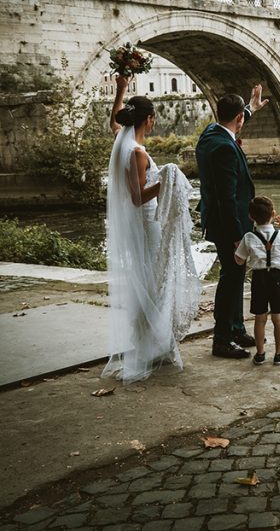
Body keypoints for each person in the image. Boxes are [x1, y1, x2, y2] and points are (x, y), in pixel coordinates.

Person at [104, 75, 199, 383]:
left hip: (145, 224)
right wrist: (166, 180)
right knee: (156, 282)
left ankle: (155, 341)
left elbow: (113, 124)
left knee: (149, 281)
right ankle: (157, 344)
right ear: (149, 119)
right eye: (153, 118)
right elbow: (136, 197)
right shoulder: (137, 153)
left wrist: (121, 88)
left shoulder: (125, 142)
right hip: (148, 223)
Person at [195, 86, 269, 359]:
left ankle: (236, 328)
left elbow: (232, 122)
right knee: (230, 279)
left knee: (235, 277)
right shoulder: (225, 148)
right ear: (237, 119)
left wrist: (251, 108)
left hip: (218, 220)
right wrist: (239, 235)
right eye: (243, 118)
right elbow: (226, 197)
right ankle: (223, 339)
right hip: (230, 224)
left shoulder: (210, 135)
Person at [234, 196, 280, 366]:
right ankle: (279, 353)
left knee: (260, 318)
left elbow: (239, 260)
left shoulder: (248, 237)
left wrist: (238, 248)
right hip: (276, 278)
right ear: (273, 213)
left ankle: (260, 354)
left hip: (258, 279)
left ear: (250, 217)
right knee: (278, 318)